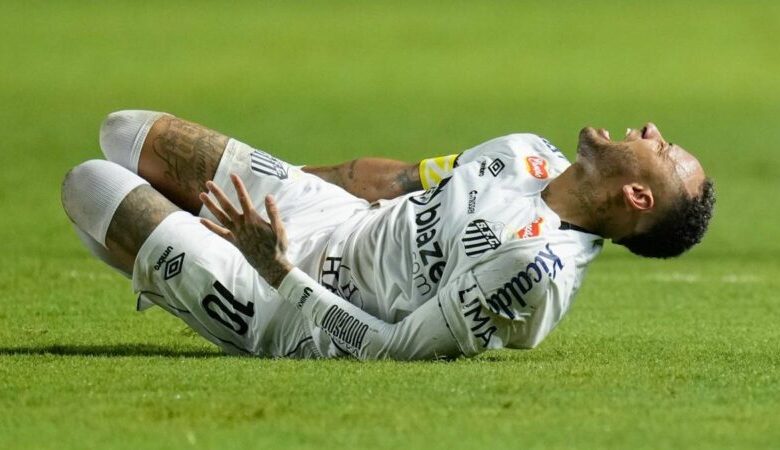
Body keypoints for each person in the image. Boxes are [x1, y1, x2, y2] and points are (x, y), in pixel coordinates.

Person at [61, 111, 715, 359]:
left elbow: (392, 347)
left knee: (91, 185)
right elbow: (397, 180)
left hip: (290, 306)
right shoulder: (527, 152)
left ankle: (183, 275)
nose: (651, 130)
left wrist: (276, 267)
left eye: (663, 149)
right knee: (126, 132)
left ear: (637, 196)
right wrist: (283, 181)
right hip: (333, 218)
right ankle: (174, 255)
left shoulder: (532, 269)